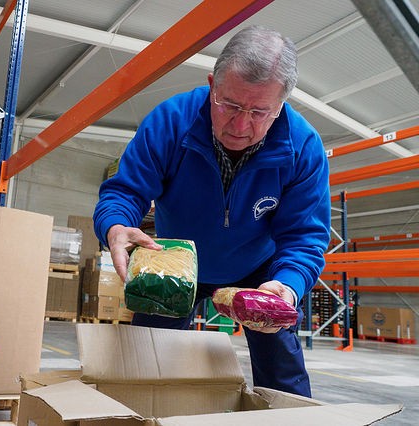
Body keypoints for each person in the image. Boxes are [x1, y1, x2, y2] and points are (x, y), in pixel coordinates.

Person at [93, 25, 331, 398]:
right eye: (230, 105)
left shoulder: (303, 148)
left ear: (283, 103)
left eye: (259, 111)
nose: (240, 125)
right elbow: (125, 190)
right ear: (211, 84)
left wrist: (286, 286)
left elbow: (304, 236)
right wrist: (116, 224)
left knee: (283, 373)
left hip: (260, 271)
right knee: (141, 363)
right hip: (175, 260)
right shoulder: (170, 120)